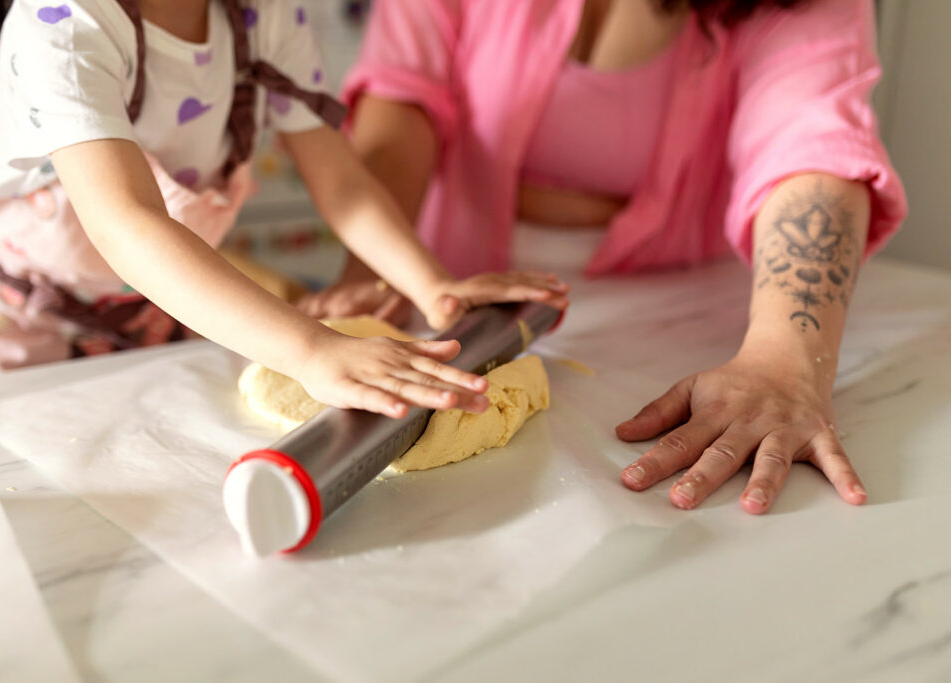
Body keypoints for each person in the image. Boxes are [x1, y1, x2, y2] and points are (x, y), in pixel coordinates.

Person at [303, 0, 908, 512]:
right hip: (452, 289)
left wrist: (786, 360)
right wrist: (373, 273)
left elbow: (809, 143)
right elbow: (403, 98)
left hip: (685, 313)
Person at [0, 0, 569, 419]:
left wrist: (433, 287)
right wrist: (311, 349)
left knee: (149, 437)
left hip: (155, 287)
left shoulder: (265, 16)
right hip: (18, 293)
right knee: (17, 455)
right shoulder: (62, 27)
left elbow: (340, 182)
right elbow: (127, 223)